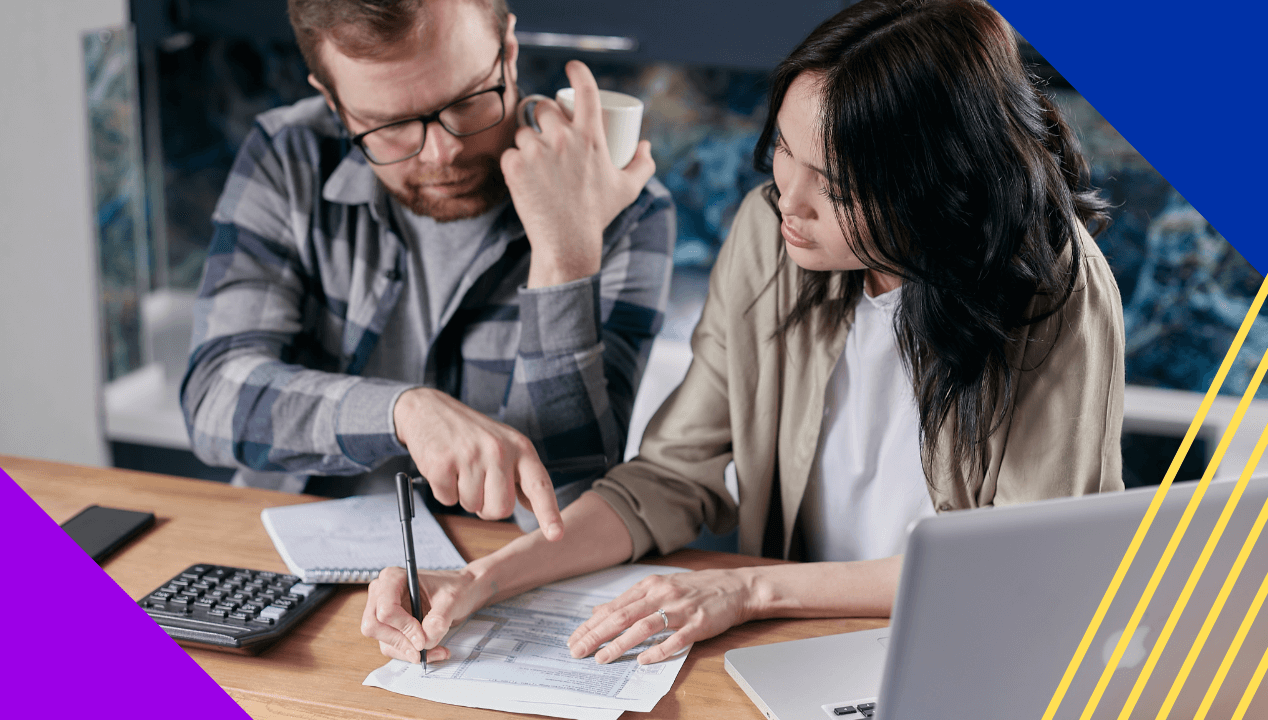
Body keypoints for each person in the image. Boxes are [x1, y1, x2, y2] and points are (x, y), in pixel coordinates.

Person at [361, 0, 1126, 667]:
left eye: (835, 186)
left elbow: (1020, 568)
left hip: (963, 651)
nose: (786, 199)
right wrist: (482, 580)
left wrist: (748, 587)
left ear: (937, 186)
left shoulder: (1055, 287)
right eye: (785, 152)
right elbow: (668, 478)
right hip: (790, 644)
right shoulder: (770, 236)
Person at [181, 0, 676, 537]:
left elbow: (567, 507)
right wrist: (402, 413)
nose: (442, 153)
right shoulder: (288, 155)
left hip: (493, 573)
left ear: (507, 53)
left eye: (466, 102)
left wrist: (564, 257)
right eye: (388, 125)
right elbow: (213, 399)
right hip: (289, 549)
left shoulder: (625, 206)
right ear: (333, 102)